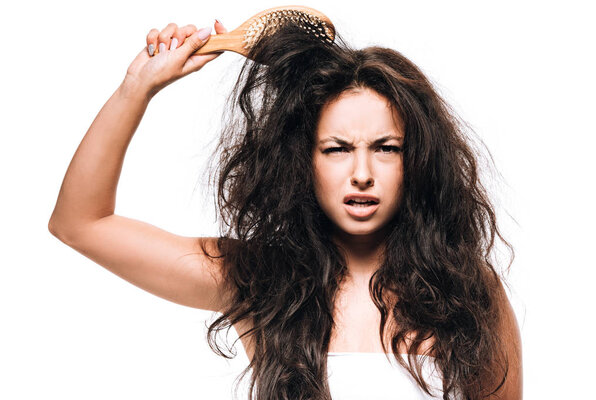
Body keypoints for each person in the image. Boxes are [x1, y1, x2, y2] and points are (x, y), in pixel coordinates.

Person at [48, 18, 522, 400]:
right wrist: (138, 87)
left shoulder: (467, 289)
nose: (362, 173)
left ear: (416, 160)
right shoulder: (261, 280)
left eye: (386, 148)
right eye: (336, 148)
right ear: (303, 161)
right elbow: (80, 224)